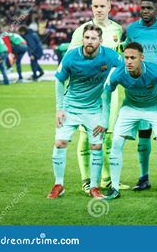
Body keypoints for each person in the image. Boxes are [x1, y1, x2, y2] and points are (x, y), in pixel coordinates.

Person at [47, 24, 123, 199]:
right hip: (70, 107)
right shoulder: (71, 56)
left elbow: (124, 69)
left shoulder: (110, 56)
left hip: (94, 109)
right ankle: (59, 184)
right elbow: (59, 81)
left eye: (93, 38)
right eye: (87, 38)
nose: (89, 41)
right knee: (60, 143)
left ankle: (94, 187)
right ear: (83, 39)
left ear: (100, 41)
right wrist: (59, 109)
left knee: (96, 146)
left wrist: (111, 86)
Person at [68, 0, 125, 193]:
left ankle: (107, 180)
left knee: (108, 136)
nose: (99, 9)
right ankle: (86, 180)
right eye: (95, 6)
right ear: (91, 8)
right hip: (88, 92)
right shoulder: (82, 31)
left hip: (110, 91)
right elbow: (70, 59)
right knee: (86, 136)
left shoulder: (118, 30)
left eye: (102, 5)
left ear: (110, 6)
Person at [103, 42, 157, 201]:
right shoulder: (118, 73)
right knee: (116, 142)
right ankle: (114, 188)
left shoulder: (154, 71)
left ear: (141, 58)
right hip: (130, 108)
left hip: (155, 107)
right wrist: (104, 118)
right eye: (126, 57)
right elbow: (107, 91)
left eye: (132, 58)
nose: (128, 61)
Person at [122, 0, 157, 191]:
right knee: (143, 135)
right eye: (142, 7)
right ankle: (143, 177)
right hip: (140, 89)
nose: (145, 11)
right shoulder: (132, 29)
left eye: (149, 8)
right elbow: (125, 48)